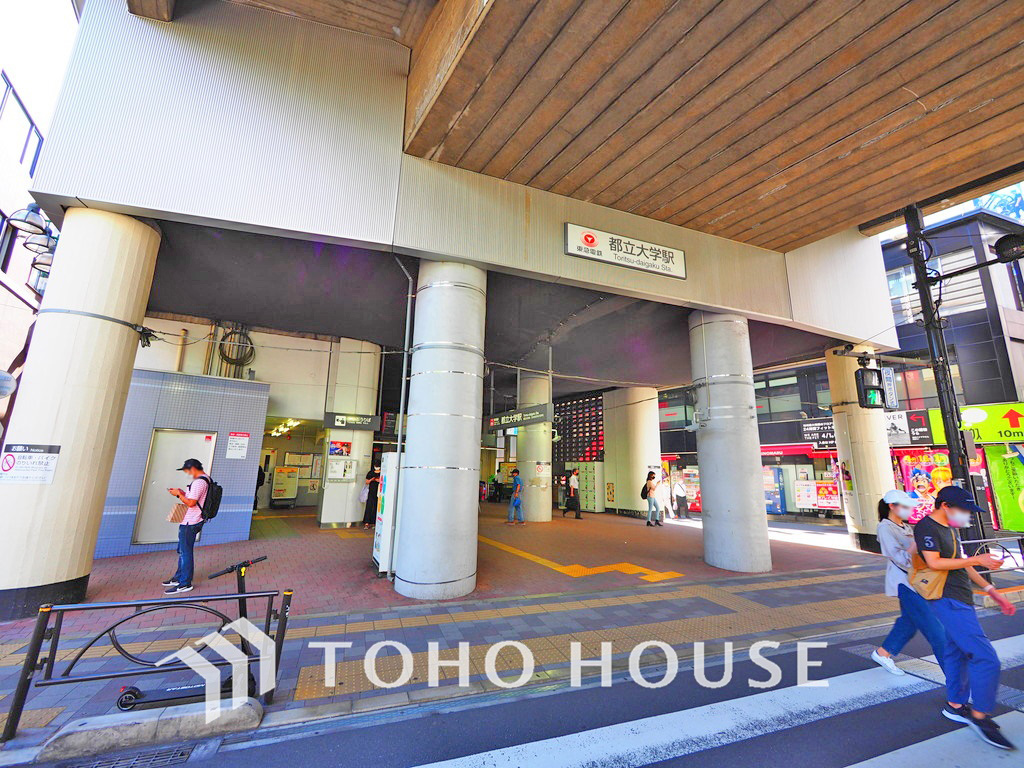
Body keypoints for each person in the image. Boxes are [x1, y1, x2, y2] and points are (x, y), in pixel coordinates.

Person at [913, 485, 1017, 750]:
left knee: (956, 651)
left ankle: (955, 704)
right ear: (945, 506)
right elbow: (934, 563)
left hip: (961, 597)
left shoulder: (950, 528)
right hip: (946, 598)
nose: (967, 516)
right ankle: (980, 716)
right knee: (985, 658)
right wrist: (977, 560)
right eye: (964, 510)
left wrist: (993, 591)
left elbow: (963, 563)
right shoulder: (926, 527)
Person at [870, 490, 947, 676]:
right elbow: (899, 558)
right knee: (936, 630)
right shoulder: (885, 528)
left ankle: (882, 653)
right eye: (905, 506)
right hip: (906, 583)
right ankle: (956, 677)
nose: (909, 510)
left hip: (918, 581)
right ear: (892, 506)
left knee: (909, 622)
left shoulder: (905, 526)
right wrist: (916, 544)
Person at [164, 458, 210, 594]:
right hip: (193, 520)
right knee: (183, 551)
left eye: (187, 471)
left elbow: (191, 503)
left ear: (193, 468)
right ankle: (178, 577)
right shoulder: (205, 479)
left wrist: (179, 494)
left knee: (185, 552)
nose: (187, 473)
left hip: (191, 522)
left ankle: (185, 583)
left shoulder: (199, 482)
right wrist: (182, 493)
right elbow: (193, 499)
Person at [361, 464, 381, 529]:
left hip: (379, 493)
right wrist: (372, 479)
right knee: (369, 506)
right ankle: (367, 522)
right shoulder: (371, 473)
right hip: (371, 492)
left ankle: (374, 523)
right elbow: (367, 482)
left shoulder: (382, 473)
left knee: (376, 507)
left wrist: (379, 480)